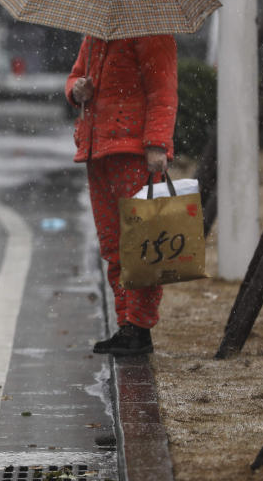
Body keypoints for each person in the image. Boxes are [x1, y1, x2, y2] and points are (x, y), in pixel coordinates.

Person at [66, 34, 178, 357]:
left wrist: (157, 143)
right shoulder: (95, 33)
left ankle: (139, 327)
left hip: (132, 152)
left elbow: (163, 90)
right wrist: (75, 89)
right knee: (113, 244)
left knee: (140, 244)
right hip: (96, 151)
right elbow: (75, 75)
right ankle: (126, 323)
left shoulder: (153, 31)